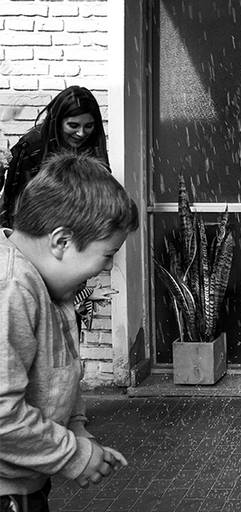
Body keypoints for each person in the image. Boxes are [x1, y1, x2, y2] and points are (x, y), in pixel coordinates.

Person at [0, 153, 138, 511]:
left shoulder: (47, 285)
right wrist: (72, 454)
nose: (108, 266)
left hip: (25, 485)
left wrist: (76, 428)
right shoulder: (11, 288)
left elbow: (59, 372)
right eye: (107, 254)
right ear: (61, 241)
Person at [1, 85, 108, 227]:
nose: (81, 133)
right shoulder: (33, 146)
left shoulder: (92, 144)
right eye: (73, 125)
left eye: (88, 126)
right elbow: (15, 203)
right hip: (35, 230)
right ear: (58, 121)